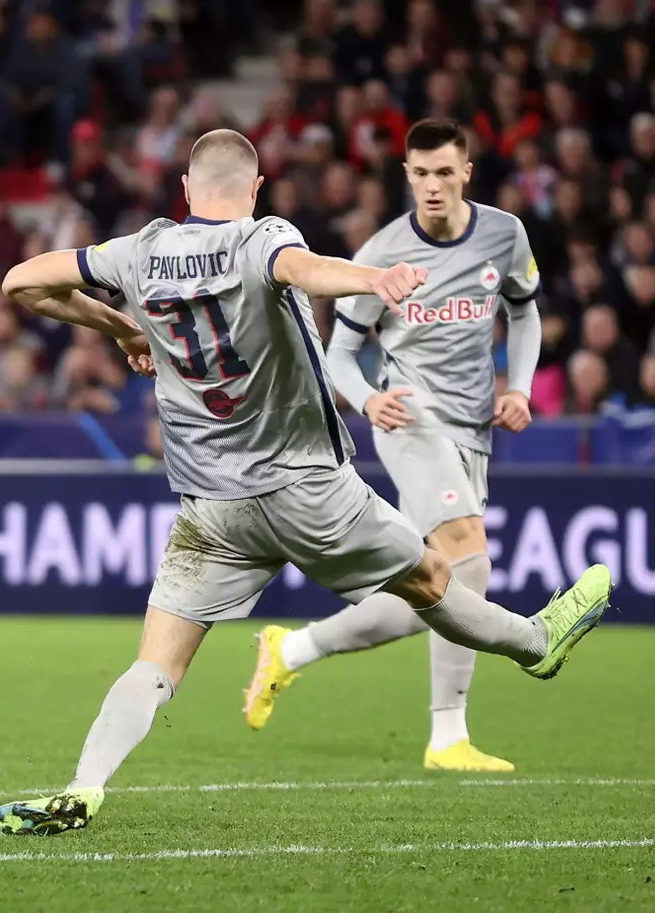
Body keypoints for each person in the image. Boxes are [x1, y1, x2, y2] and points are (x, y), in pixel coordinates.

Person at [0, 129, 611, 837]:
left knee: (156, 664)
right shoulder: (261, 237)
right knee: (436, 577)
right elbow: (303, 268)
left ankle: (84, 785)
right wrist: (374, 279)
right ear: (254, 191)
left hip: (212, 508)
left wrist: (121, 326)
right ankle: (535, 642)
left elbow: (23, 282)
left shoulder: (139, 250)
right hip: (306, 486)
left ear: (186, 191)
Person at [258, 118, 544, 773]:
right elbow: (338, 353)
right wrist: (366, 399)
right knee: (469, 559)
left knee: (434, 586)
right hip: (408, 421)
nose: (434, 185)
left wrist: (521, 388)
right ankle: (448, 735)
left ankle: (292, 650)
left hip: (472, 431)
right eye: (422, 173)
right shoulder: (381, 254)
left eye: (446, 171)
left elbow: (525, 310)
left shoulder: (504, 234)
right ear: (407, 176)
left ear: (466, 171)